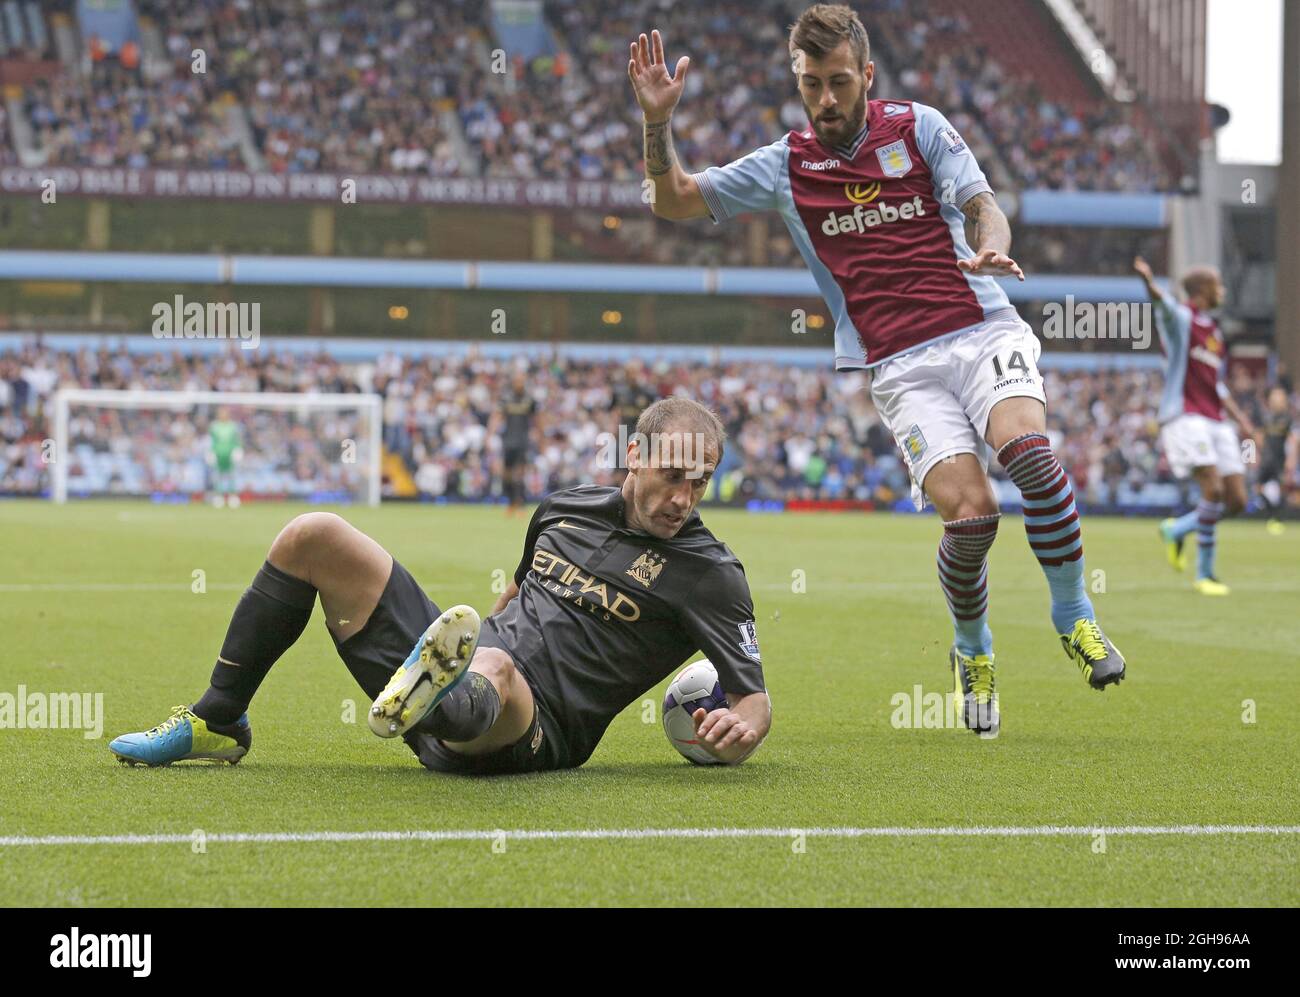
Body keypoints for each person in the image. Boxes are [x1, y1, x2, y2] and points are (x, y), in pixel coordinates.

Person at [627, 5, 1124, 738]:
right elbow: (671, 199)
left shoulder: (918, 127)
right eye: (810, 85)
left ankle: (1075, 616)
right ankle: (973, 647)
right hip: (900, 366)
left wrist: (989, 245)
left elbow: (984, 205)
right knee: (974, 517)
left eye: (837, 82)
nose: (825, 100)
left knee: (1033, 458)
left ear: (866, 75)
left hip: (981, 325)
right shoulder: (785, 164)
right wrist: (657, 123)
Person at [109, 398, 771, 773]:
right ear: (635, 455)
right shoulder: (564, 508)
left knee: (494, 664)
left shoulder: (709, 572)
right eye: (673, 474)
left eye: (700, 482)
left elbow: (753, 700)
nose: (684, 497)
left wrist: (741, 728)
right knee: (313, 534)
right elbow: (514, 598)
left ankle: (444, 693)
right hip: (465, 671)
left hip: (532, 730)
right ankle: (218, 717)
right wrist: (485, 629)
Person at [1135, 257, 1255, 595]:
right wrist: (1148, 283)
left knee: (1235, 500)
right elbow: (1165, 307)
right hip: (1186, 417)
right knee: (1212, 490)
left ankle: (1176, 530)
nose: (1223, 290)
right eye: (1218, 284)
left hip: (1216, 420)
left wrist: (1241, 419)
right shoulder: (1183, 319)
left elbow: (1216, 384)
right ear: (1203, 290)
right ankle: (1205, 575)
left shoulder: (1214, 331)